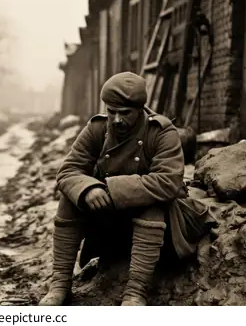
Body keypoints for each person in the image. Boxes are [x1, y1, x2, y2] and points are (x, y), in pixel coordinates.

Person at [38, 71, 187, 306]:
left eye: (124, 113)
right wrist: (88, 189)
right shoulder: (98, 128)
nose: (116, 119)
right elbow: (68, 171)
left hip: (156, 228)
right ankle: (59, 284)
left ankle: (136, 292)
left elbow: (168, 182)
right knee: (70, 198)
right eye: (111, 111)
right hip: (110, 218)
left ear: (140, 109)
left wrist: (111, 189)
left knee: (152, 205)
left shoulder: (161, 131)